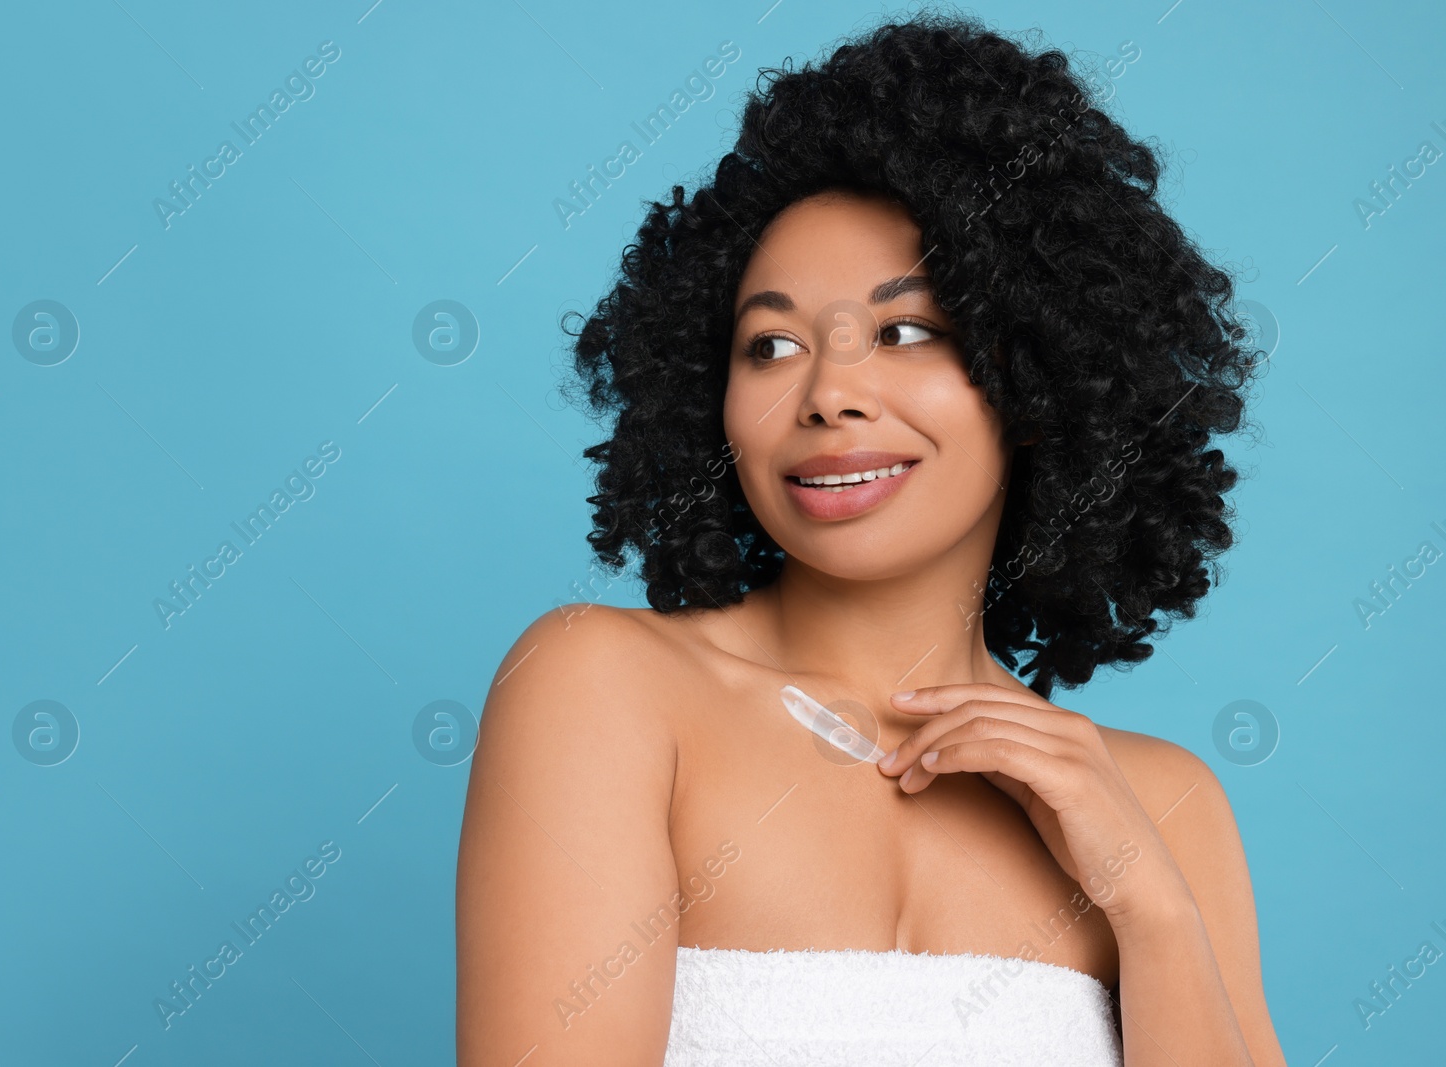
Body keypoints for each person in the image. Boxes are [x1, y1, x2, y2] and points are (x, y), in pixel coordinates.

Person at [457, 11, 1286, 1065]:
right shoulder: (603, 689)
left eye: (903, 332)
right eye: (771, 344)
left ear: (1035, 380)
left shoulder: (1162, 804)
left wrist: (1152, 910)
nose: (828, 393)